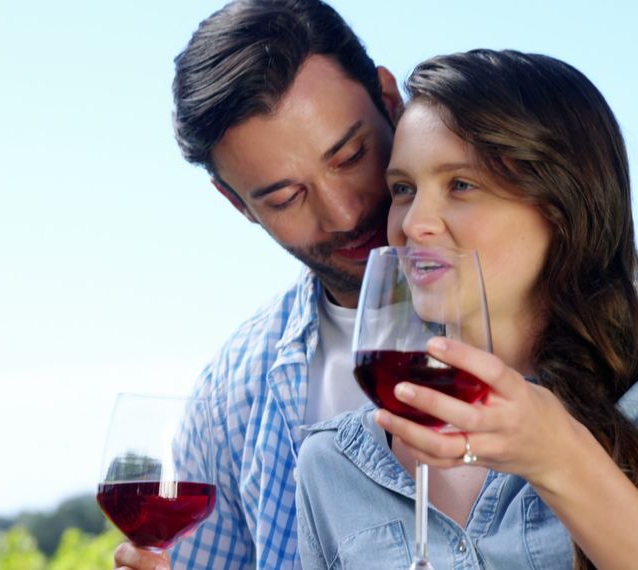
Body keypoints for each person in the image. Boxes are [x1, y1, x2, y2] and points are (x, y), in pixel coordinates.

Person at [295, 49, 638, 569]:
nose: (413, 223)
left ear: (563, 206)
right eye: (404, 189)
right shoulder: (332, 466)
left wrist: (558, 453)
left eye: (461, 184)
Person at [113, 0, 401, 568]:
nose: (343, 213)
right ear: (238, 204)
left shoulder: (559, 310)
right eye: (285, 197)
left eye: (351, 156)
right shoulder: (228, 400)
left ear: (391, 103)